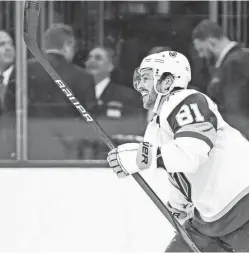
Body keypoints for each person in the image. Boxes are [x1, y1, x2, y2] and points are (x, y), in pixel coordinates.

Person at [107, 51, 249, 252]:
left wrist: (139, 157)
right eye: (138, 79)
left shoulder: (187, 100)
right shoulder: (157, 126)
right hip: (210, 218)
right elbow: (177, 170)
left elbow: (191, 154)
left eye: (146, 78)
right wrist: (179, 204)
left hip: (242, 205)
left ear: (166, 82)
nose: (139, 86)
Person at [192, 19, 249, 139]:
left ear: (211, 42)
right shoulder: (241, 58)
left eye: (201, 50)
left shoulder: (233, 64)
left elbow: (234, 112)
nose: (202, 56)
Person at [27, 23, 96, 117]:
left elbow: (10, 109)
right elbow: (90, 117)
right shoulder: (83, 77)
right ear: (67, 45)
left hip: (30, 130)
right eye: (73, 47)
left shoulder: (24, 69)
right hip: (69, 130)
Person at [85, 46, 144, 117]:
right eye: (89, 58)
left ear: (110, 66)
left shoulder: (127, 96)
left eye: (98, 58)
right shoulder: (75, 92)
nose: (91, 61)